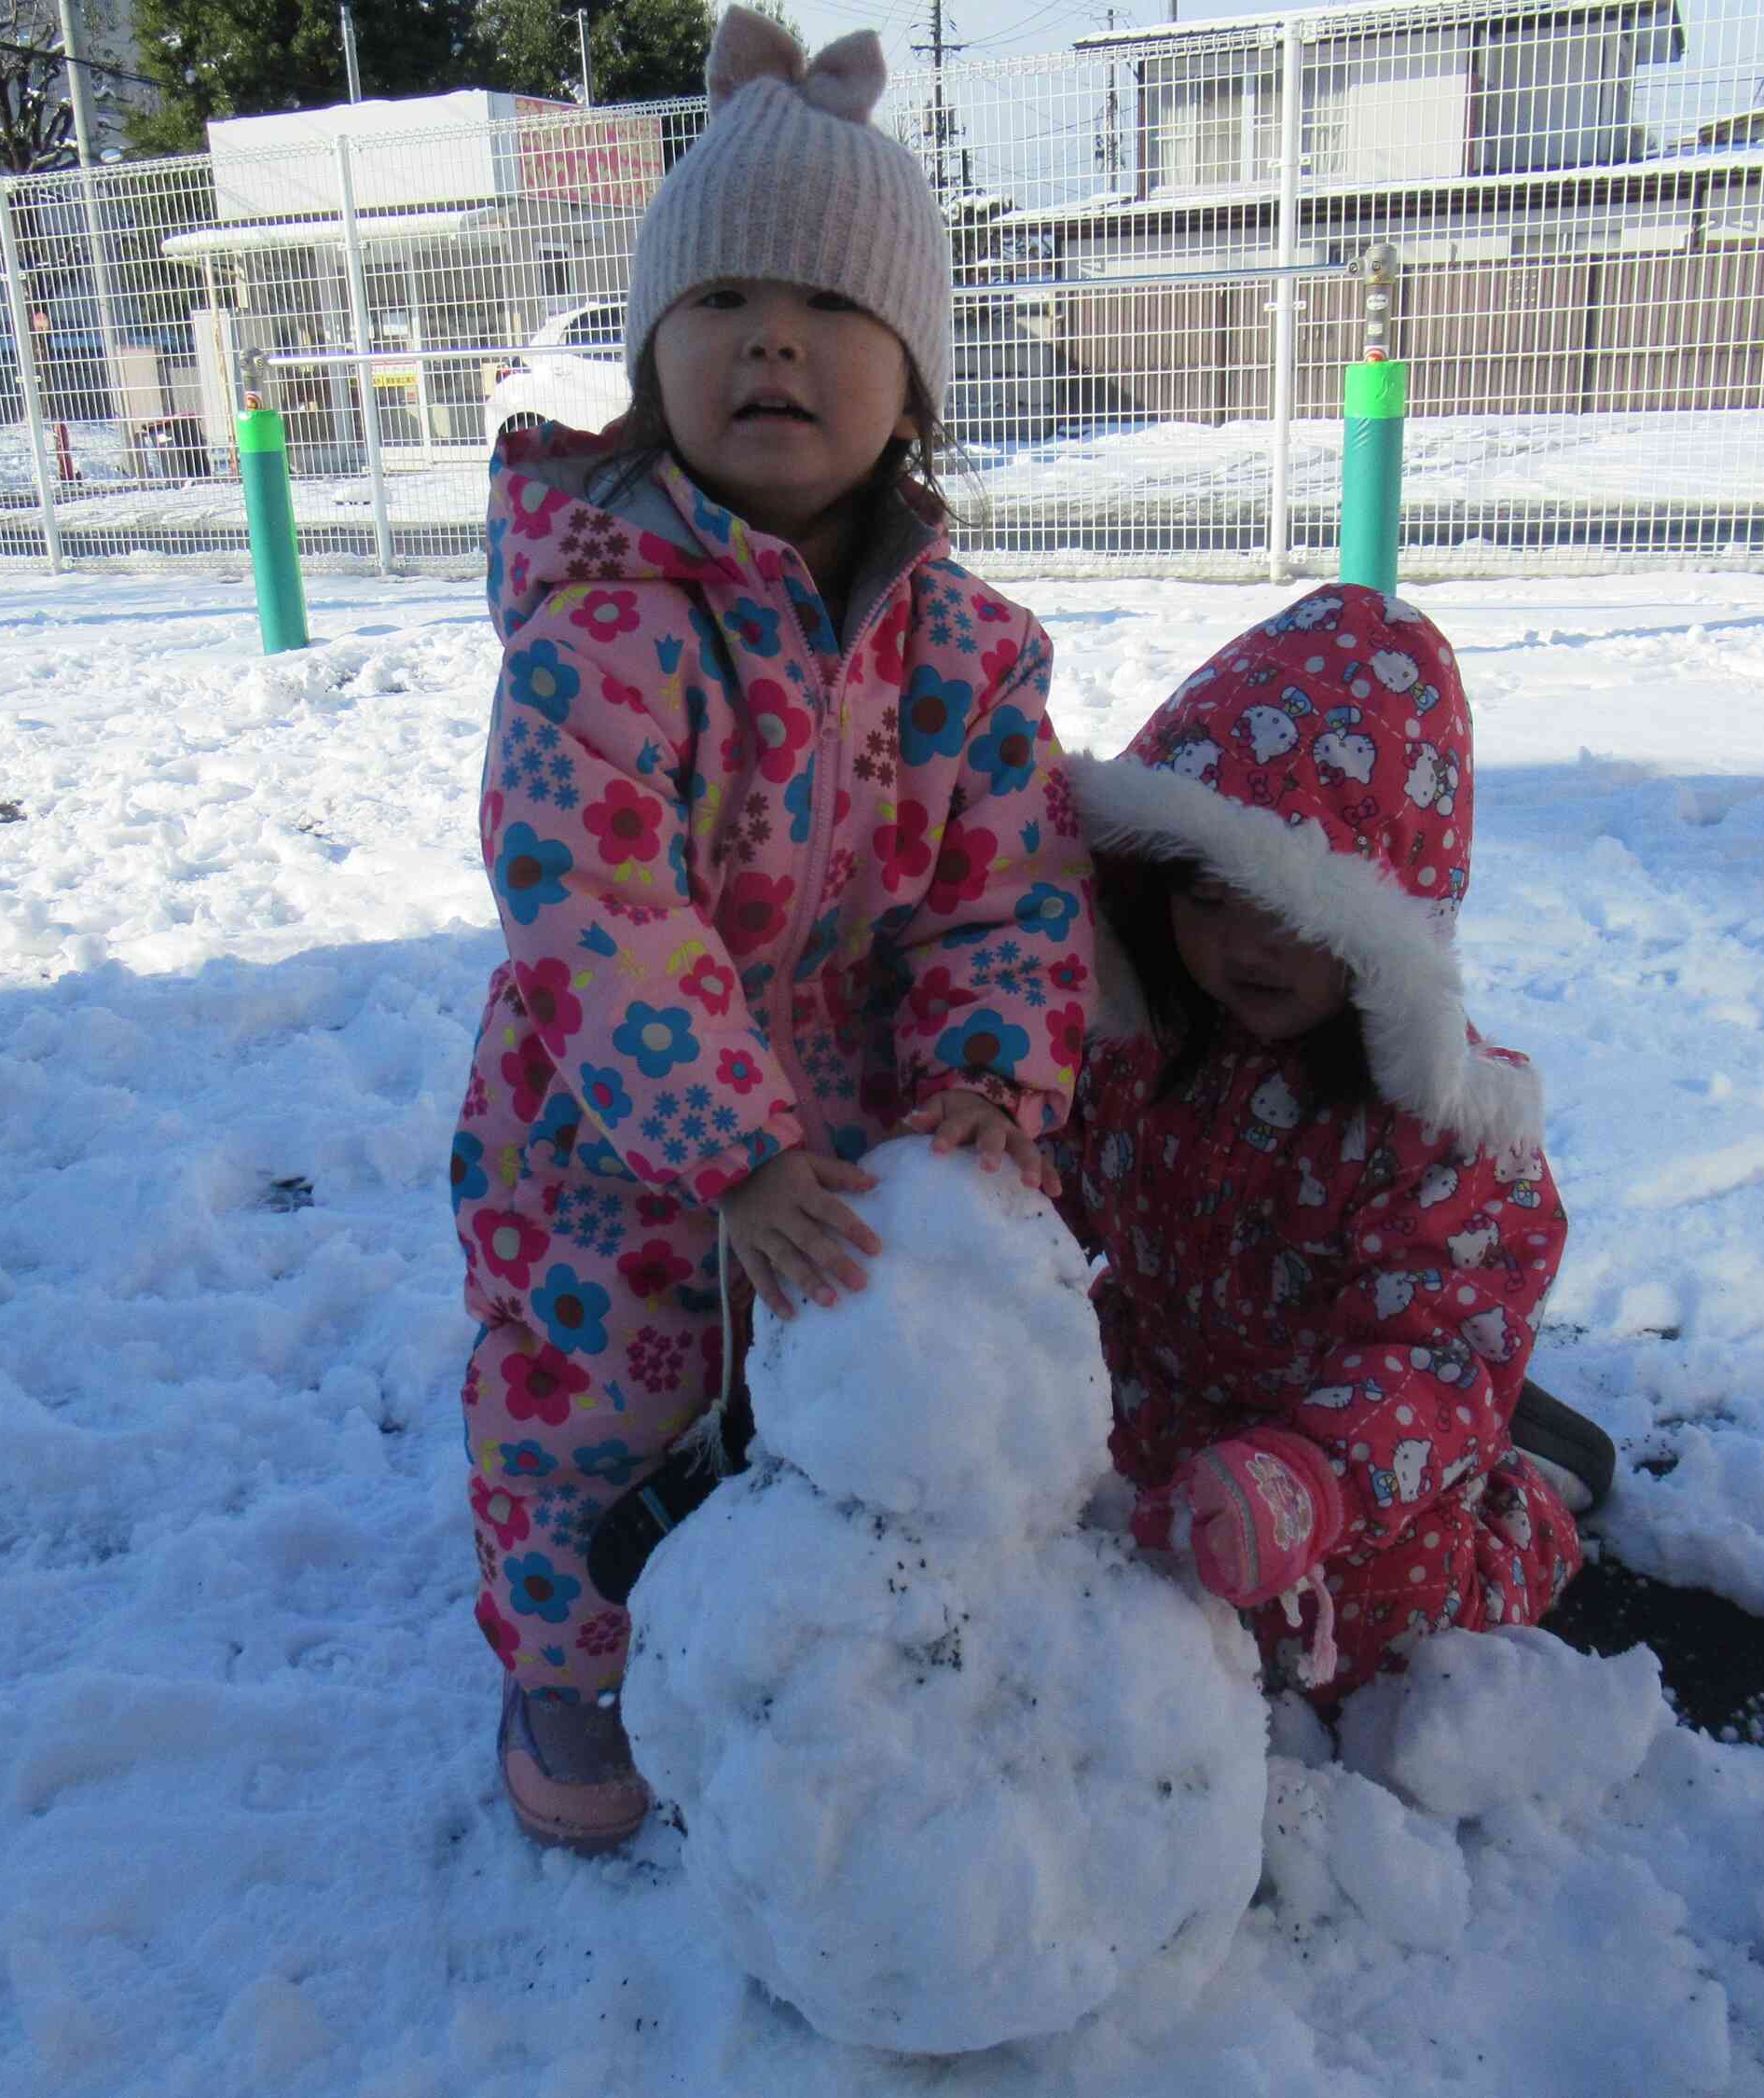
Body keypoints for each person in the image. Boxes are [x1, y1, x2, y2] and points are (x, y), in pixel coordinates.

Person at [454, 6, 1093, 1851]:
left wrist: (992, 1075)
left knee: (841, 1409)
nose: (776, 341)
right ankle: (573, 1661)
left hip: (871, 1105)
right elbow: (588, 888)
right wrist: (724, 1144)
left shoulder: (968, 647)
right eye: (723, 304)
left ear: (914, 384)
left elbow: (1010, 882)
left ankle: (811, 1654)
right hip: (617, 1126)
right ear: (658, 354)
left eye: (831, 311)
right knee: (597, 1403)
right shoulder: (606, 616)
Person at [1056, 585, 1585, 1707]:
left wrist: (1311, 1478)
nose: (1242, 943)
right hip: (1158, 1397)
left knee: (1363, 1632)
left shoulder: (1445, 1133)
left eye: (1292, 904)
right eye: (1206, 889)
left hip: (1341, 1466)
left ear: (1382, 917)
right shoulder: (1136, 1047)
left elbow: (1439, 1355)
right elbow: (1056, 1197)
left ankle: (1519, 1511)